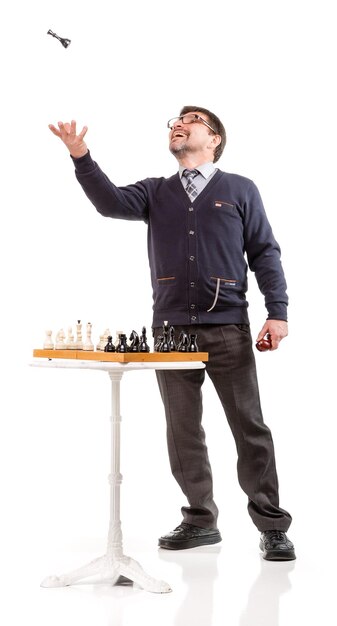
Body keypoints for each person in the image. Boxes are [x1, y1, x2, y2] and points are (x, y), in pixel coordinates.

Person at [48, 106, 295, 561]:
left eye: (193, 119)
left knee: (249, 427)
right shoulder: (155, 192)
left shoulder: (240, 189)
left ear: (214, 138)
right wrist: (81, 156)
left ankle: (272, 525)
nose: (179, 124)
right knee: (183, 429)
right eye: (174, 122)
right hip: (170, 331)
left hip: (228, 328)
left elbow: (264, 251)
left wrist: (276, 312)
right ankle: (200, 520)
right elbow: (109, 203)